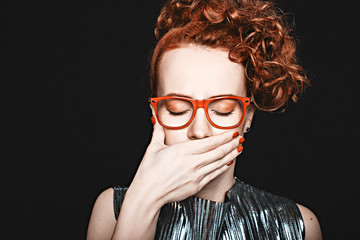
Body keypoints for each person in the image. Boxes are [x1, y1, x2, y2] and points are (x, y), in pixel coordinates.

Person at [87, 0, 322, 239]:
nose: (199, 131)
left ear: (247, 117)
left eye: (222, 110)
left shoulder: (297, 225)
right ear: (155, 114)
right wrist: (144, 200)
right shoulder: (113, 210)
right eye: (178, 109)